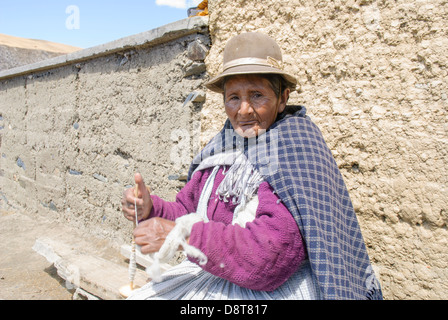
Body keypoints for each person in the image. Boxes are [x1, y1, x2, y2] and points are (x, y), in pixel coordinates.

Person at [121, 32, 383, 300]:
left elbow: (268, 257)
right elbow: (188, 209)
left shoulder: (296, 152)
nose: (244, 110)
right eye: (233, 97)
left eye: (257, 95)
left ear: (282, 98)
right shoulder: (222, 148)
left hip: (273, 291)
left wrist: (185, 235)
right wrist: (152, 209)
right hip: (217, 276)